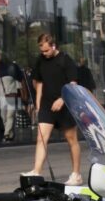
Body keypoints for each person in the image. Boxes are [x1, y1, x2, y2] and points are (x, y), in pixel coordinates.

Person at [22, 32, 82, 185]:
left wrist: (62, 99)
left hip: (65, 105)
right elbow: (39, 83)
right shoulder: (40, 60)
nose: (44, 53)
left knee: (71, 139)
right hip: (47, 105)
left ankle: (76, 174)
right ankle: (36, 171)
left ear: (53, 46)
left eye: (46, 50)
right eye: (42, 51)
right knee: (41, 138)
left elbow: (73, 84)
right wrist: (38, 104)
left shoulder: (65, 60)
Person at [0, 51, 24, 141]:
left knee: (10, 116)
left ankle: (6, 134)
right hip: (2, 97)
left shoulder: (12, 67)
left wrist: (22, 94)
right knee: (3, 116)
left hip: (12, 96)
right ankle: (10, 133)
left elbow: (19, 83)